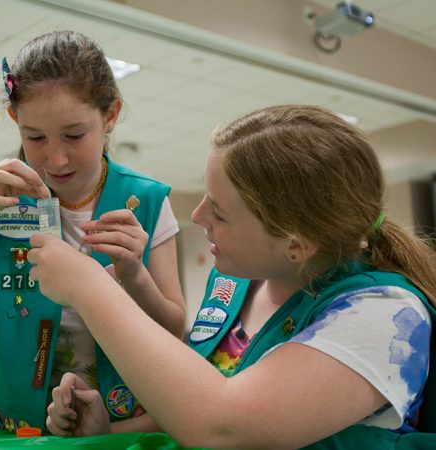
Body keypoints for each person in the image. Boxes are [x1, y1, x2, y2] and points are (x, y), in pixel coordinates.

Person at [34, 105, 436, 449]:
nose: (197, 217)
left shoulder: (381, 317)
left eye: (220, 213)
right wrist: (109, 431)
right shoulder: (236, 283)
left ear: (295, 245)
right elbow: (198, 394)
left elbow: (223, 424)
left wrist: (90, 289)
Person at [0, 30, 185, 431]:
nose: (56, 158)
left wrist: (136, 276)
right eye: (35, 137)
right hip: (12, 428)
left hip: (114, 429)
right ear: (15, 120)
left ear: (110, 115)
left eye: (74, 135)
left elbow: (173, 333)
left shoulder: (146, 202)